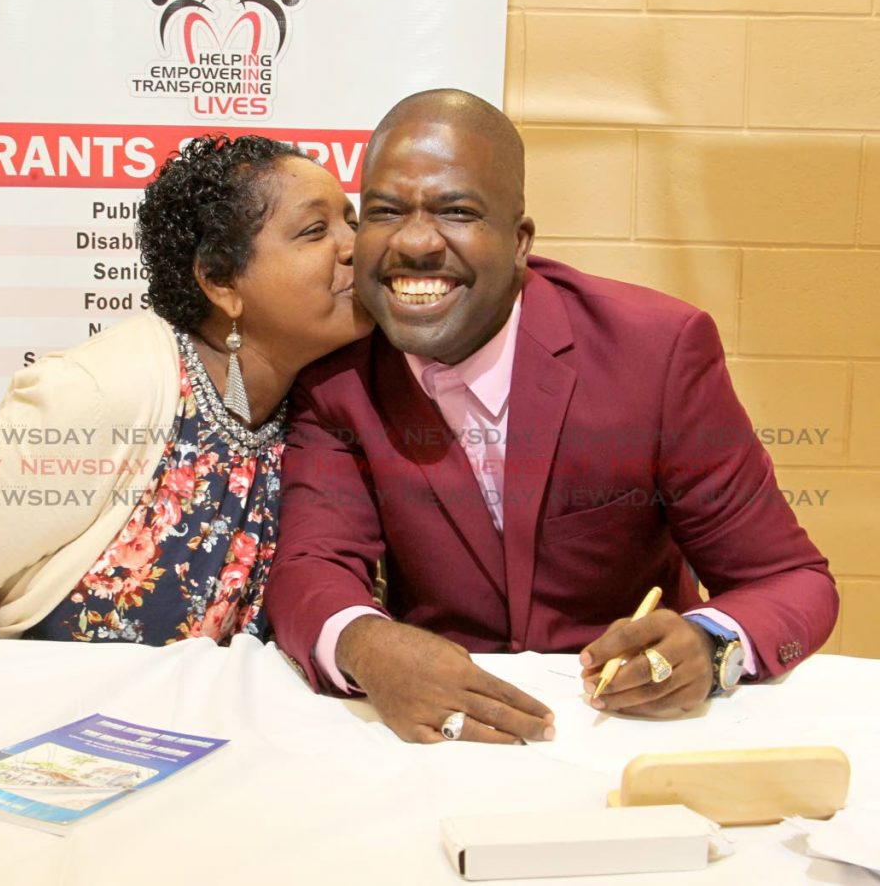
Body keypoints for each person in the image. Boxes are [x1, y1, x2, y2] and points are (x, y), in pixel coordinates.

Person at [265, 89, 838, 744]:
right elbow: (312, 566)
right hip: (447, 737)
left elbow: (788, 580)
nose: (417, 241)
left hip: (633, 731)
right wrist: (367, 645)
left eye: (456, 211)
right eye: (387, 211)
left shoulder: (656, 351)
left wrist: (711, 647)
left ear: (519, 241)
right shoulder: (338, 381)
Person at [0, 134, 372, 643]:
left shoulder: (323, 394)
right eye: (316, 230)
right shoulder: (105, 391)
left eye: (353, 223)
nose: (354, 248)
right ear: (221, 282)